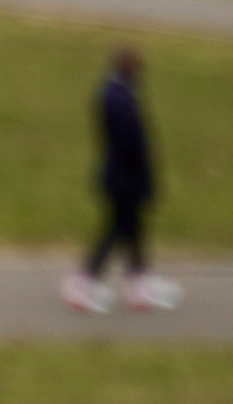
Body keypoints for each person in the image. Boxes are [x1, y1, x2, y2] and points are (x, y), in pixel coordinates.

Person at [66, 46, 180, 313]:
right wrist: (147, 175)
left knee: (133, 229)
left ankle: (139, 283)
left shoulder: (113, 93)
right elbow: (131, 144)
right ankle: (86, 281)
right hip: (125, 178)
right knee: (117, 229)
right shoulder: (119, 98)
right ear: (131, 68)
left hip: (120, 175)